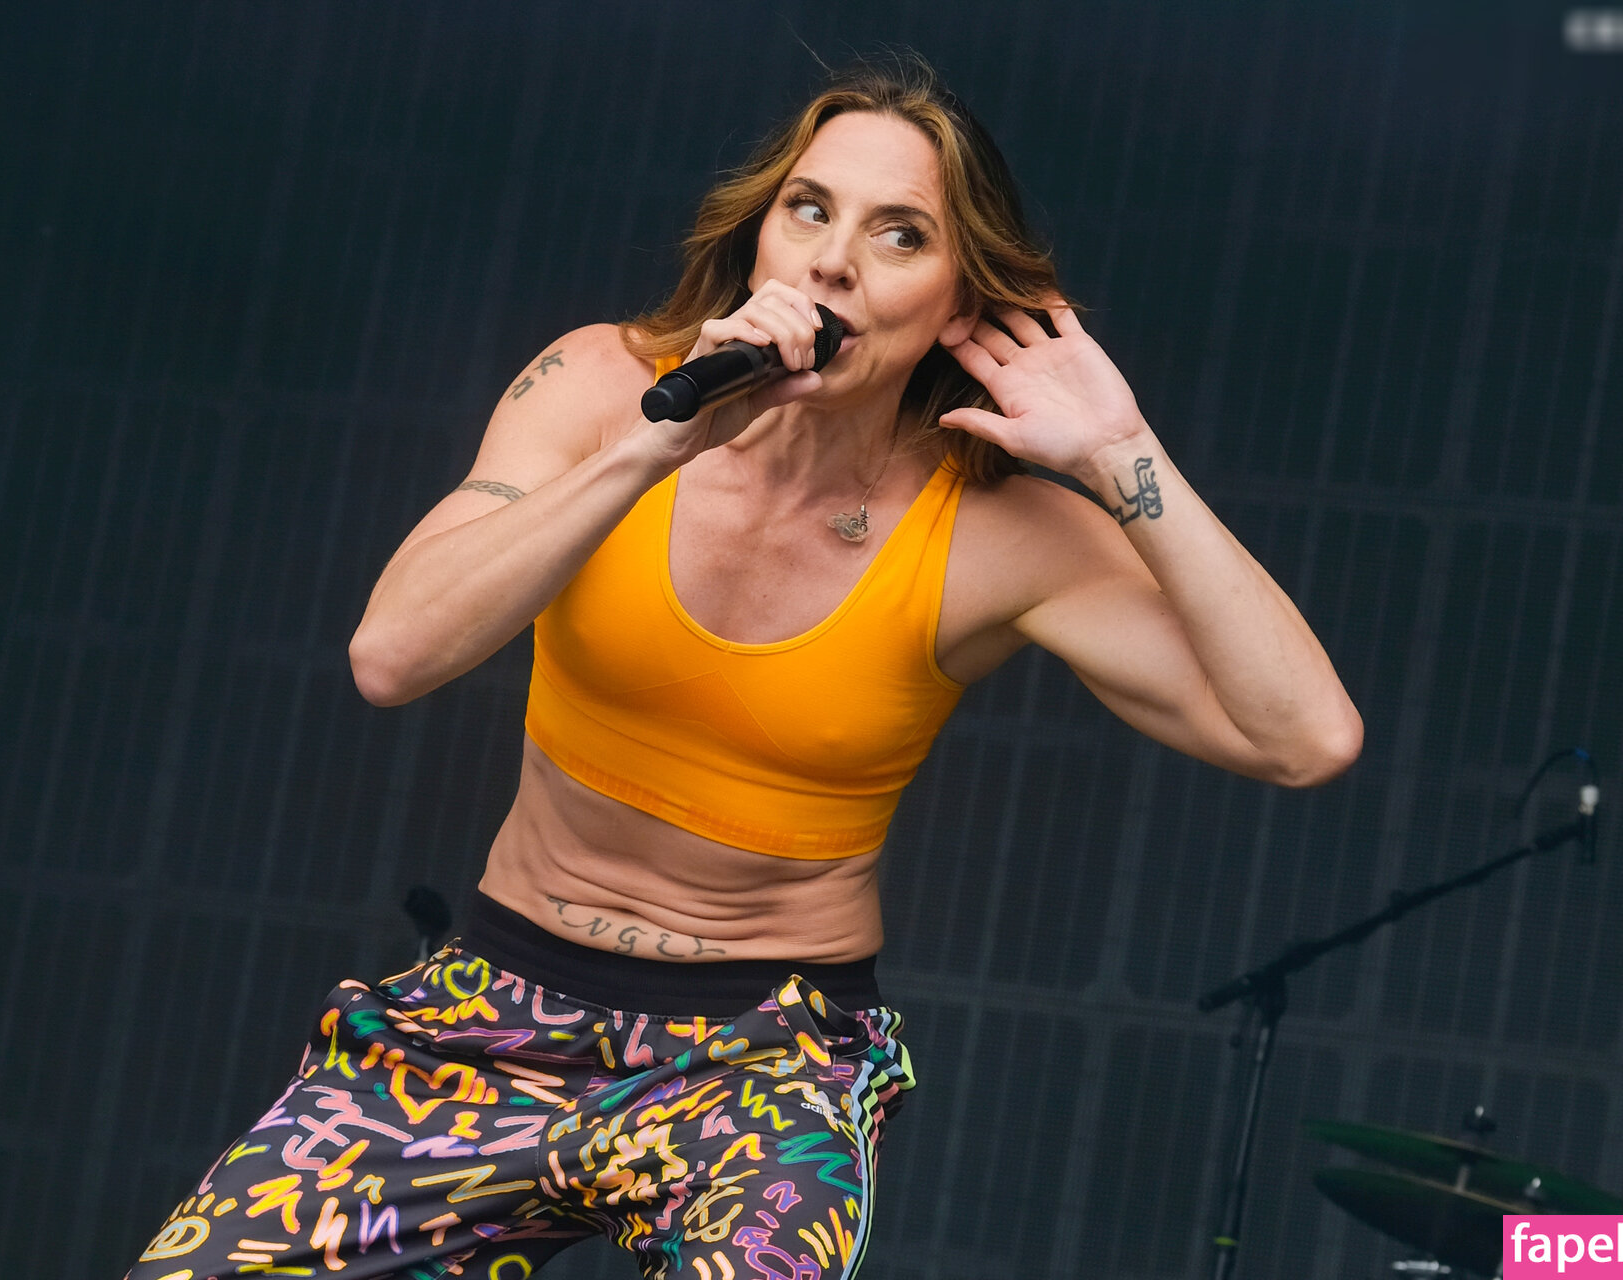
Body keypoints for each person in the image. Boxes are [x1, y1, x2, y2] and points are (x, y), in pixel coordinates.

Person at [126, 55, 1360, 1280]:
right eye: (809, 210)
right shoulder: (602, 383)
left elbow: (1306, 737)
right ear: (761, 236)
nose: (834, 261)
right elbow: (393, 655)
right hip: (491, 1009)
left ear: (959, 303)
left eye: (900, 235)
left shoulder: (1001, 532)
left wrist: (1123, 452)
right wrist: (655, 442)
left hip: (768, 1055)